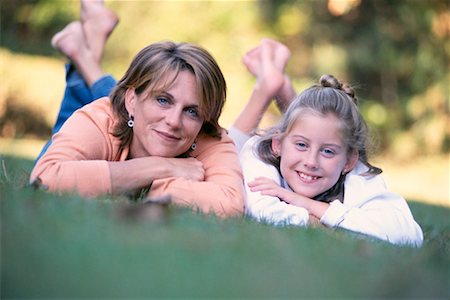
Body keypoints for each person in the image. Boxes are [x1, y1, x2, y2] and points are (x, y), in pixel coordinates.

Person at [31, 0, 245, 217]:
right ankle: (83, 53)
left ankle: (84, 53)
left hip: (125, 112)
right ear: (131, 100)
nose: (173, 121)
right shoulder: (102, 118)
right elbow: (46, 177)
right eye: (163, 100)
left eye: (192, 111)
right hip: (113, 115)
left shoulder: (209, 139)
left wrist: (148, 182)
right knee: (72, 122)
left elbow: (230, 204)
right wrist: (164, 168)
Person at [239, 69, 424, 246]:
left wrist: (308, 205)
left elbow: (408, 234)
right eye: (301, 145)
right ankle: (271, 82)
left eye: (327, 151)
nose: (311, 162)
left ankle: (284, 89)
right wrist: (317, 223)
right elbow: (260, 208)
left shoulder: (359, 174)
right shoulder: (257, 150)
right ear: (277, 144)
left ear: (349, 161)